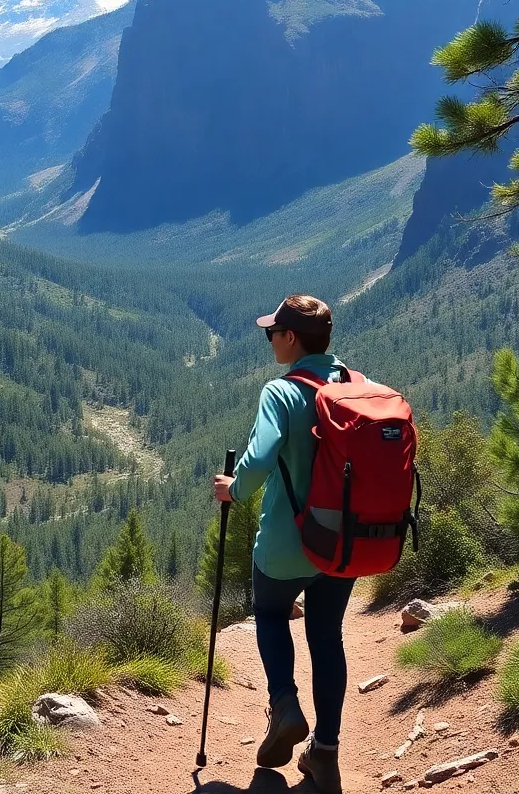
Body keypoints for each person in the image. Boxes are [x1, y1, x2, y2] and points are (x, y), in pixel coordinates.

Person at [213, 294, 355, 794]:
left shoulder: (282, 391)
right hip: (342, 544)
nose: (270, 338)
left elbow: (257, 462)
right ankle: (327, 753)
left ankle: (286, 705)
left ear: (291, 338)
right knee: (327, 637)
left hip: (287, 543)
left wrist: (233, 489)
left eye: (272, 332)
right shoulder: (352, 386)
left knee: (272, 614)